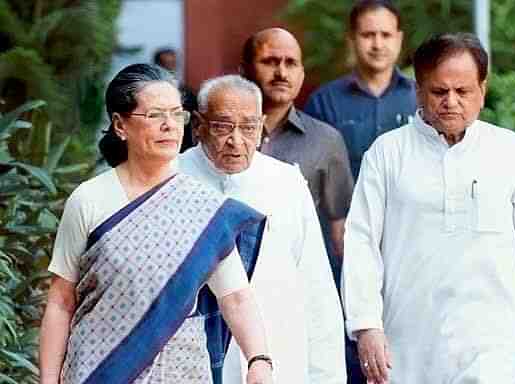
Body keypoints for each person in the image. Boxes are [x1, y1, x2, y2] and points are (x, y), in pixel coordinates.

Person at [342, 32, 515, 384]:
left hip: (495, 351)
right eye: (439, 91)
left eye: (463, 91)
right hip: (406, 352)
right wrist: (366, 325)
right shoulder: (386, 154)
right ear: (418, 91)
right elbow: (361, 244)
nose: (451, 101)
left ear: (482, 90)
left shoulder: (511, 152)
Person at [39, 64, 273, 384]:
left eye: (177, 114)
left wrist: (259, 360)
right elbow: (60, 300)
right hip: (98, 369)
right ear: (120, 125)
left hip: (181, 371)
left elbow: (235, 297)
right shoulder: (89, 200)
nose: (170, 126)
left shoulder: (202, 206)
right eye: (155, 115)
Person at [179, 75, 346, 384]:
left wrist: (328, 376)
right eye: (223, 127)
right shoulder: (173, 180)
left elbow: (315, 287)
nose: (236, 141)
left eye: (248, 127)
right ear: (198, 126)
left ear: (261, 128)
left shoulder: (286, 182)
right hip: (190, 359)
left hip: (278, 352)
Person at [239, 28, 354, 272]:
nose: (281, 72)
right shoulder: (223, 134)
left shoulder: (325, 141)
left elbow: (340, 230)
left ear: (301, 74)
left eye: (291, 63)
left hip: (297, 278)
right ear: (244, 71)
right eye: (270, 62)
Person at [304, 0, 417, 181]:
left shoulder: (421, 98)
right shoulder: (323, 102)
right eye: (368, 35)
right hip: (347, 209)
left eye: (386, 35)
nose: (377, 45)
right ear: (352, 39)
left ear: (399, 39)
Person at [153, 47, 198, 151]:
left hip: (182, 146)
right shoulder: (148, 95)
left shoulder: (187, 93)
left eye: (172, 64)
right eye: (165, 64)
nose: (170, 68)